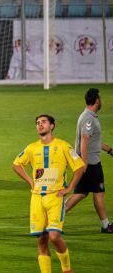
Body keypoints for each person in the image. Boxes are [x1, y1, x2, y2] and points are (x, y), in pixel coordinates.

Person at [12, 115, 85, 273]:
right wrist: (29, 181)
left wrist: (70, 188)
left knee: (54, 236)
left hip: (55, 197)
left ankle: (66, 269)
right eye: (38, 123)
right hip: (36, 199)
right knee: (42, 240)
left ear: (52, 126)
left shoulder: (63, 146)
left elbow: (80, 167)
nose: (40, 125)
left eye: (43, 122)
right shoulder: (31, 148)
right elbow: (16, 164)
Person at [65, 88, 113, 233]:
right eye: (100, 97)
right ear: (96, 100)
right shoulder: (88, 118)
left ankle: (55, 219)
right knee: (97, 192)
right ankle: (106, 225)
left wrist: (109, 150)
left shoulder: (89, 116)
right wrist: (84, 163)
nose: (101, 100)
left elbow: (93, 141)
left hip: (89, 162)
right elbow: (85, 141)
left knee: (81, 193)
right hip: (91, 164)